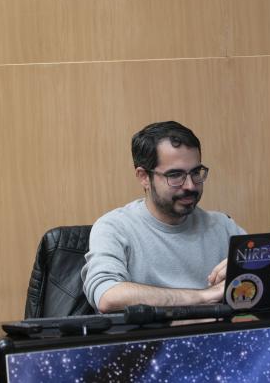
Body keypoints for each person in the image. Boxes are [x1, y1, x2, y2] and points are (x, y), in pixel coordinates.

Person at [82, 121, 245, 313]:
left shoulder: (223, 226)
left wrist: (246, 273)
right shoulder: (114, 227)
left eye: (195, 173)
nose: (190, 186)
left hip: (216, 331)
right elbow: (108, 296)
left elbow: (268, 282)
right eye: (175, 175)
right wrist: (203, 296)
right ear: (144, 177)